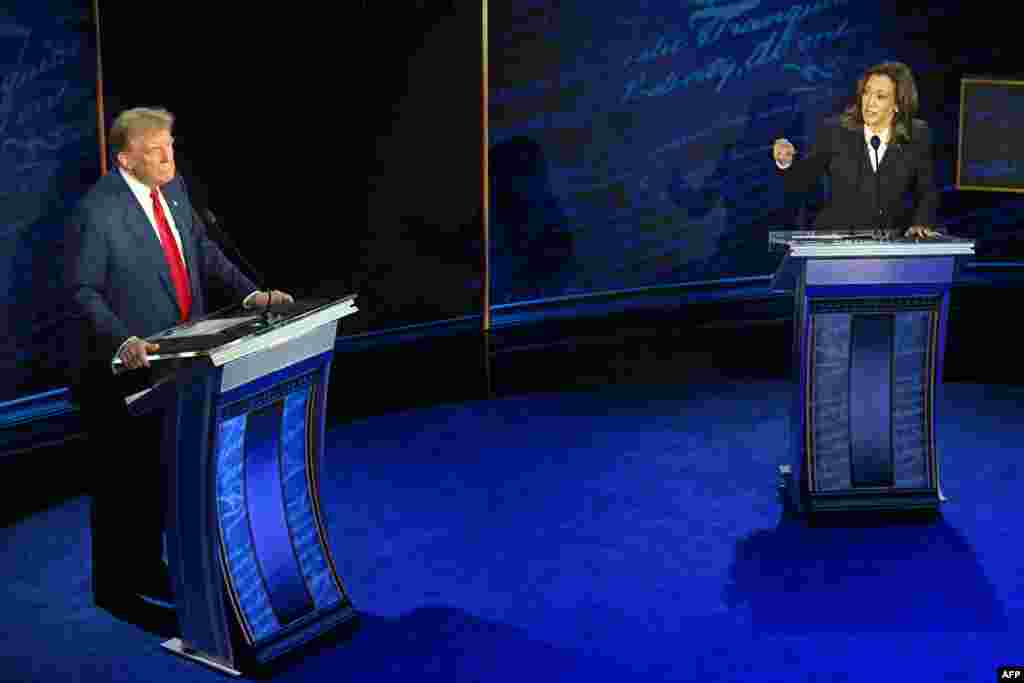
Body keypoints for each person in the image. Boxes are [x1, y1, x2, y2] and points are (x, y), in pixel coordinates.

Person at [65, 107, 293, 615]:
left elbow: (202, 250)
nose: (168, 158)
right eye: (155, 151)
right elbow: (82, 292)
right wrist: (123, 339)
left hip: (180, 362)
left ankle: (148, 567)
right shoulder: (97, 212)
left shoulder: (173, 190)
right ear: (126, 160)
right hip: (122, 371)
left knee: (157, 475)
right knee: (122, 482)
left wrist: (251, 295)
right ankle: (116, 591)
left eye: (170, 146)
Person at [772, 61, 940, 239]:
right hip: (836, 241)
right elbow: (805, 176)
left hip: (890, 244)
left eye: (880, 96)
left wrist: (922, 222)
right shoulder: (836, 131)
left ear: (897, 104)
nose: (869, 103)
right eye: (866, 92)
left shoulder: (917, 134)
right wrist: (786, 160)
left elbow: (926, 190)